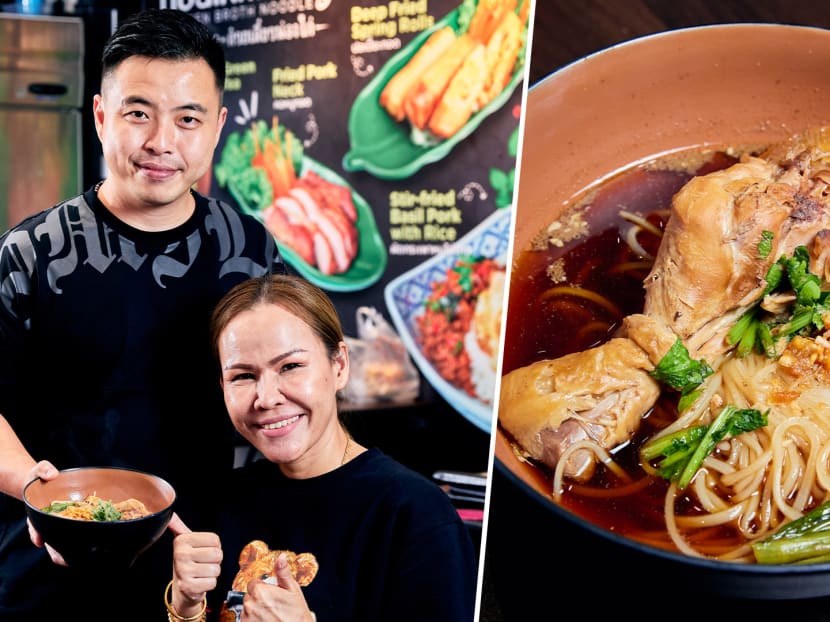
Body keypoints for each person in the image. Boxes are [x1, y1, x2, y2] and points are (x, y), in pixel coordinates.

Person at [0, 8, 285, 620]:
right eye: (137, 113)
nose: (162, 141)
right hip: (48, 564)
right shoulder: (31, 253)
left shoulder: (252, 253)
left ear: (216, 130)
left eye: (188, 119)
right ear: (102, 116)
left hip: (199, 566)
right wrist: (34, 486)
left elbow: (286, 389)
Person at [167, 274, 478, 622]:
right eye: (243, 376)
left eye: (291, 366)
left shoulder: (415, 514)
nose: (267, 398)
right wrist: (186, 605)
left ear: (340, 365)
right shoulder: (223, 502)